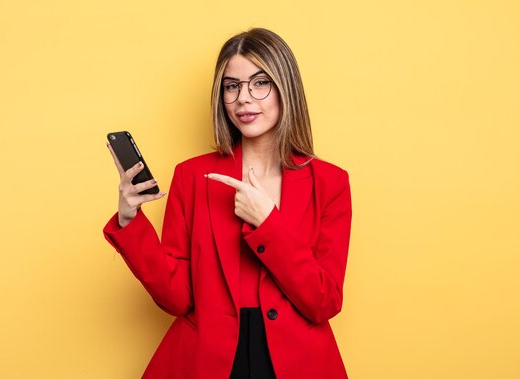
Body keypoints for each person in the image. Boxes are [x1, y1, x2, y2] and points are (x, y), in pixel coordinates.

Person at [103, 28, 352, 379]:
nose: (243, 99)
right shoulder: (192, 176)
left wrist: (268, 223)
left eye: (259, 83)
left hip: (295, 364)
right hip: (209, 361)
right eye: (232, 86)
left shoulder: (329, 183)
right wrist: (131, 221)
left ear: (286, 89)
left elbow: (323, 302)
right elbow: (177, 298)